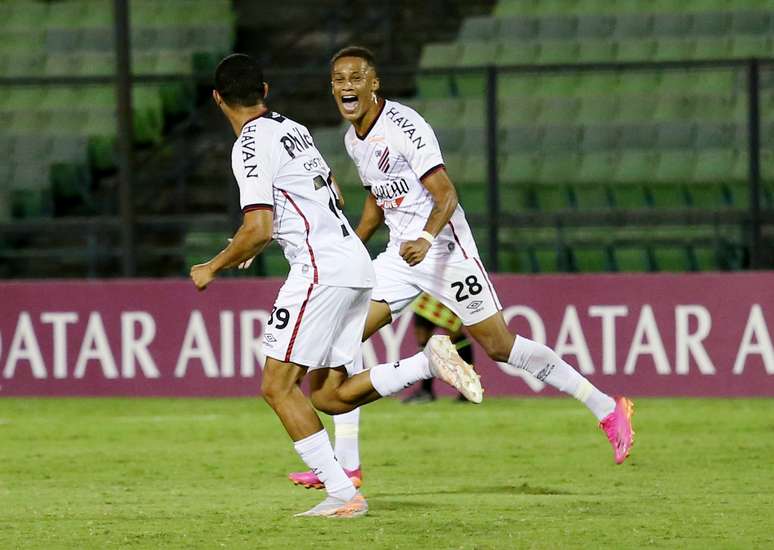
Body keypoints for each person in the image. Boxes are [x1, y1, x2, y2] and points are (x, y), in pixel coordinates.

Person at [287, 45, 634, 491]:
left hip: (446, 251)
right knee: (342, 336)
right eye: (338, 79)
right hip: (399, 256)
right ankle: (347, 467)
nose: (347, 86)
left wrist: (426, 238)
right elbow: (377, 196)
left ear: (374, 84)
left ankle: (608, 408)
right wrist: (353, 246)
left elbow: (446, 194)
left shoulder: (406, 126)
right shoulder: (353, 139)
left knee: (500, 346)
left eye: (355, 78)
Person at [189, 53, 483, 517]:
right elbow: (332, 195)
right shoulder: (293, 129)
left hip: (319, 270)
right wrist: (251, 243)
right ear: (265, 92)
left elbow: (260, 226)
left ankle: (343, 495)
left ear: (217, 99)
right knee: (327, 394)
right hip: (354, 262)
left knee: (277, 386)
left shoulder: (247, 146)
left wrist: (215, 264)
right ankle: (427, 362)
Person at [404, 293, 474, 403]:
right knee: (422, 337)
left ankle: (468, 389)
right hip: (424, 289)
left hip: (445, 290)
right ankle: (426, 390)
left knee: (455, 333)